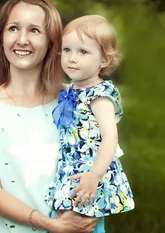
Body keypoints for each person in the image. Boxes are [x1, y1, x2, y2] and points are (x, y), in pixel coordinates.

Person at [0, 0, 99, 233]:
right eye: (13, 28)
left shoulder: (81, 101)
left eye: (35, 30)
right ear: (1, 37)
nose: (22, 40)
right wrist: (51, 225)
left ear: (51, 41)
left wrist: (88, 213)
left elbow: (105, 168)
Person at [46, 15, 135, 233]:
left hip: (89, 173)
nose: (71, 58)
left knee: (81, 226)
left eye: (82, 52)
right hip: (70, 170)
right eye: (66, 50)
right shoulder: (70, 89)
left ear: (104, 60)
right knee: (63, 223)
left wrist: (94, 175)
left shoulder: (99, 95)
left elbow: (110, 137)